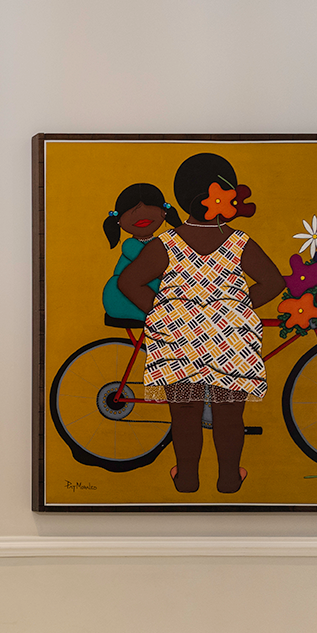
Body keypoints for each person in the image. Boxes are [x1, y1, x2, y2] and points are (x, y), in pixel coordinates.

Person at [118, 153, 282, 494]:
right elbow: (273, 282)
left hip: (178, 338)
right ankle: (229, 478)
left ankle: (187, 478)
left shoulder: (167, 244)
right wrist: (234, 308)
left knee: (186, 413)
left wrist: (163, 311)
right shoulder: (239, 242)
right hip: (231, 339)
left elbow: (129, 282)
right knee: (228, 415)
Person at [100, 183, 179, 328]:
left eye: (150, 205)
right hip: (122, 297)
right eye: (131, 209)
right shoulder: (131, 245)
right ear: (119, 221)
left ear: (164, 212)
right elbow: (155, 268)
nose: (141, 213)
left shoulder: (160, 243)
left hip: (143, 292)